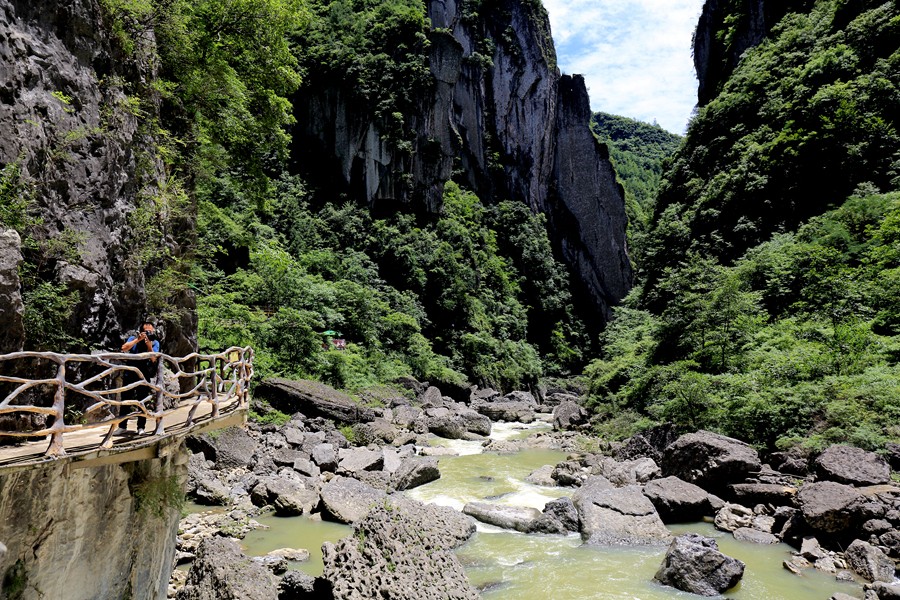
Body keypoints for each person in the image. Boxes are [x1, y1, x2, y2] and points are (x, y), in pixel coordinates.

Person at [119, 321, 160, 434]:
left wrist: (149, 346)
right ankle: (122, 426)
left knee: (142, 401)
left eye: (150, 331)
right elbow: (124, 348)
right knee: (125, 400)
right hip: (130, 373)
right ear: (141, 331)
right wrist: (138, 339)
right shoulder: (133, 338)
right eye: (146, 331)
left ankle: (141, 427)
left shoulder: (154, 342)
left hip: (144, 375)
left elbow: (153, 359)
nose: (148, 333)